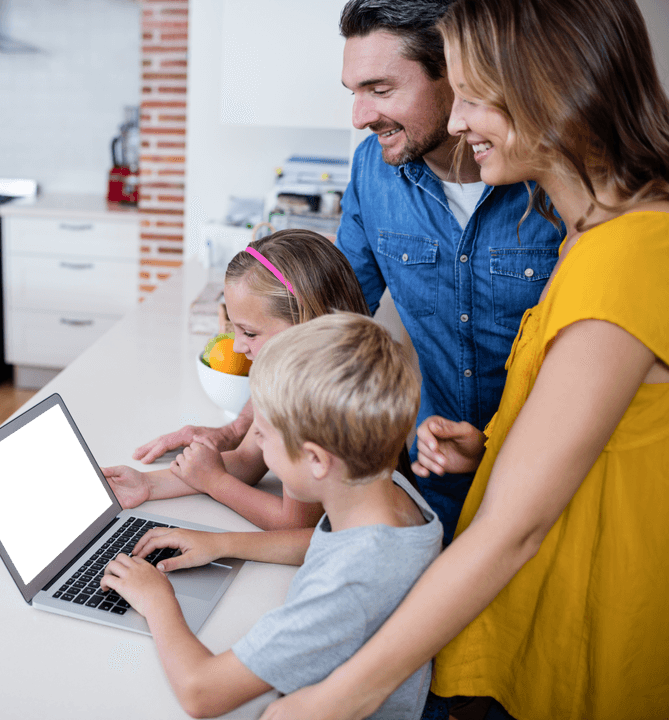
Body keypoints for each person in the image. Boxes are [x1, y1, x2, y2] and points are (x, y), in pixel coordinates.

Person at [262, 0, 669, 718]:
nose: (456, 120)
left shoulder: (625, 253)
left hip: (590, 623)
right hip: (532, 604)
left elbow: (517, 528)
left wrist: (336, 699)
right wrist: (492, 446)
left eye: (475, 93)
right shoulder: (588, 233)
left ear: (547, 88)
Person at [134, 0, 566, 543]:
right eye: (353, 92)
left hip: (548, 487)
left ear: (456, 75)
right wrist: (241, 431)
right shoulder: (372, 169)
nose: (360, 117)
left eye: (380, 90)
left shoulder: (555, 184)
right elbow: (323, 322)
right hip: (423, 485)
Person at [101, 313, 442, 719]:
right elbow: (325, 542)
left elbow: (202, 693)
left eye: (262, 434)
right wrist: (223, 543)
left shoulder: (345, 585)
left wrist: (157, 601)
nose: (254, 444)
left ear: (315, 459)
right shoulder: (391, 494)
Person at [104, 229, 376, 530]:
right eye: (234, 328)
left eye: (249, 332)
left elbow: (294, 523)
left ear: (306, 322)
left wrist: (215, 482)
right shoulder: (278, 376)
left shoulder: (314, 398)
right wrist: (147, 484)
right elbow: (247, 460)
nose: (236, 346)